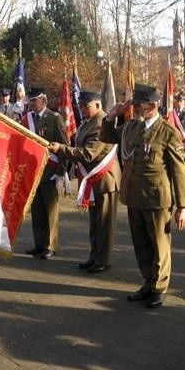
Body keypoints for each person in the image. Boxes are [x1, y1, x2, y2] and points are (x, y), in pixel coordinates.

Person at [101, 84, 185, 309]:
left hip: (157, 198)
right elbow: (107, 136)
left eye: (140, 105)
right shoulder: (132, 127)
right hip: (134, 196)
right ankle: (148, 282)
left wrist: (183, 206)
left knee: (159, 245)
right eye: (136, 104)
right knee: (141, 243)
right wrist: (111, 117)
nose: (136, 108)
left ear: (153, 105)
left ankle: (159, 288)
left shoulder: (168, 132)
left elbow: (179, 171)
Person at [48, 90, 121, 274]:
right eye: (80, 106)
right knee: (94, 222)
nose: (81, 109)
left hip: (105, 179)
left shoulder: (100, 124)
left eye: (85, 106)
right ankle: (94, 256)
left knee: (104, 223)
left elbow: (88, 154)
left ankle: (102, 260)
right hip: (93, 179)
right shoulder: (90, 121)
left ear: (97, 104)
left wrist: (61, 149)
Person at [22, 87, 69, 260]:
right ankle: (39, 244)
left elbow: (65, 147)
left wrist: (61, 173)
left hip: (50, 171)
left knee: (50, 211)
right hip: (34, 172)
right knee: (37, 210)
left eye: (34, 100)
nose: (31, 103)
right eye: (30, 100)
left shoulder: (55, 118)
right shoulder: (27, 119)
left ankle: (50, 245)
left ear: (44, 100)